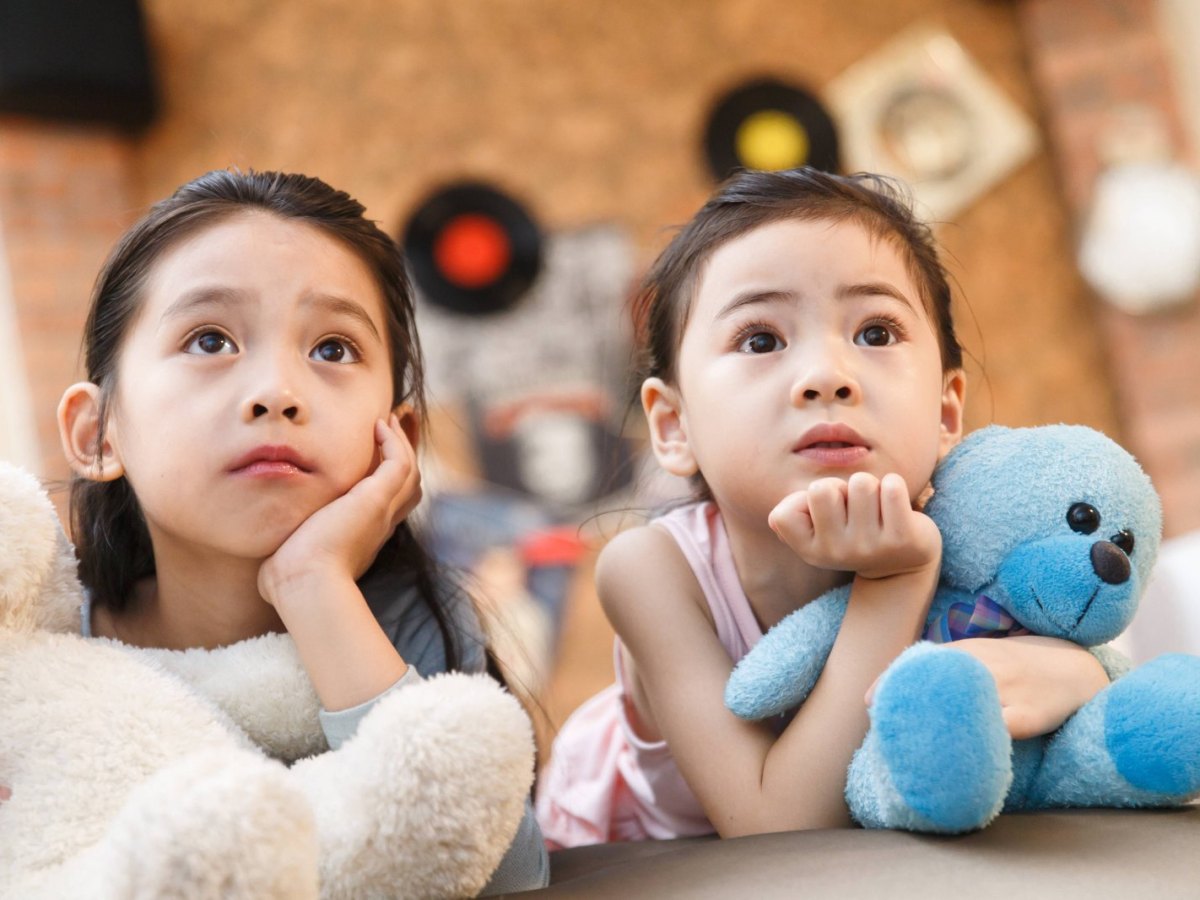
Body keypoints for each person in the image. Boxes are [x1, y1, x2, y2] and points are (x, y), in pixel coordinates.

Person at [535, 167, 1112, 847]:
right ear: (673, 426)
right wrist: (894, 582)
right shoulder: (652, 570)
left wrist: (1078, 671)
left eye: (874, 332)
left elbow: (1079, 666)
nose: (827, 376)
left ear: (946, 408)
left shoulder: (975, 533)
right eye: (761, 340)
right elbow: (778, 828)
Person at [56, 169, 548, 893]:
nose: (276, 394)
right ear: (98, 432)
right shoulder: (46, 649)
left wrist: (313, 584)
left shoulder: (410, 624)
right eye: (210, 339)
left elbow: (507, 877)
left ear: (398, 438)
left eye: (332, 350)